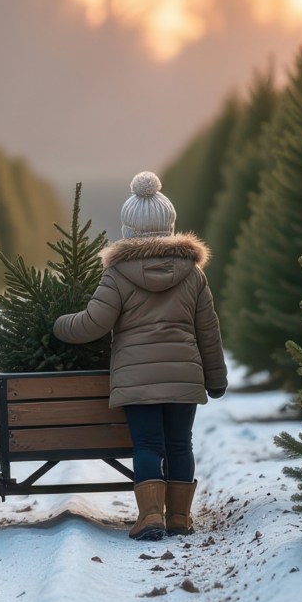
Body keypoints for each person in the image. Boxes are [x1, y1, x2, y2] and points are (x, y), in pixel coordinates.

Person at [52, 171, 227, 541]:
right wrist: (216, 379)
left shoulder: (118, 274)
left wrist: (58, 325)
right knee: (180, 444)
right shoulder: (193, 275)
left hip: (138, 381)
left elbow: (93, 323)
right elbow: (208, 332)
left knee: (148, 445)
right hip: (182, 378)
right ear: (170, 225)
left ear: (128, 228)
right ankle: (178, 517)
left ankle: (149, 518)